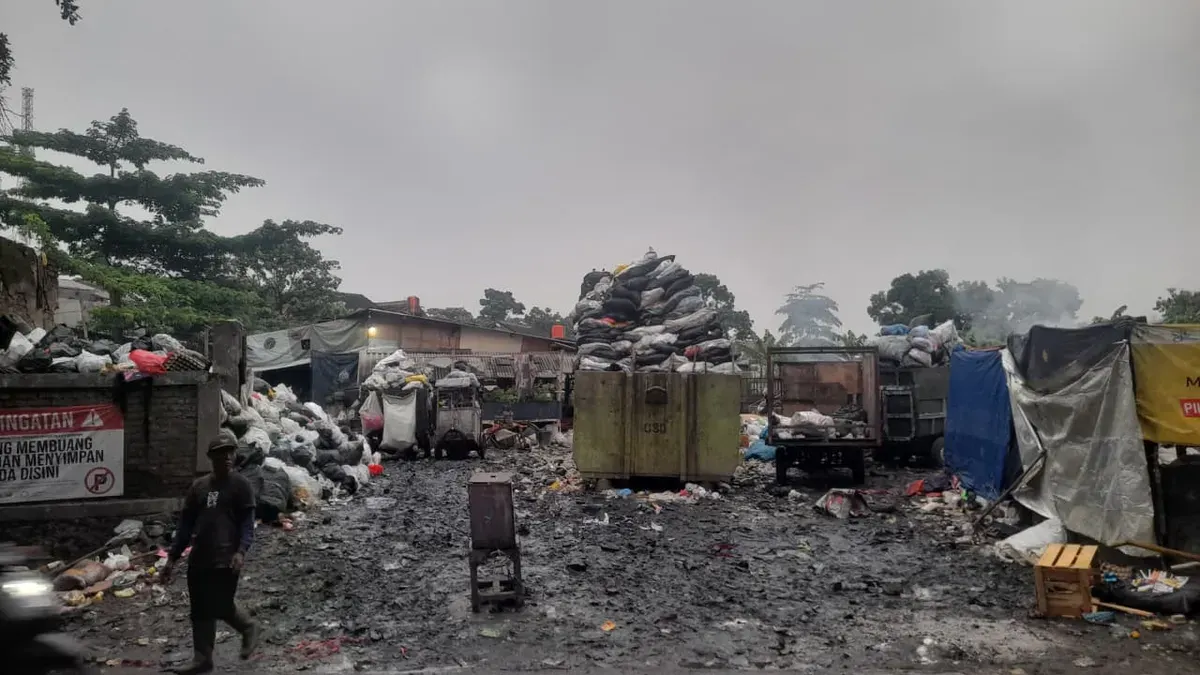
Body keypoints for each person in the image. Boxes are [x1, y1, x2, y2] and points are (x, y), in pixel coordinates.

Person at [160, 430, 260, 674]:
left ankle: (248, 627)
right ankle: (202, 659)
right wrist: (172, 559)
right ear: (210, 458)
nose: (225, 457)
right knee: (200, 610)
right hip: (200, 558)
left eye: (229, 452)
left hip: (227, 558)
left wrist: (241, 551)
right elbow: (185, 526)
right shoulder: (199, 487)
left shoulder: (241, 485)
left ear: (234, 455)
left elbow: (248, 524)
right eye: (219, 454)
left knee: (221, 605)